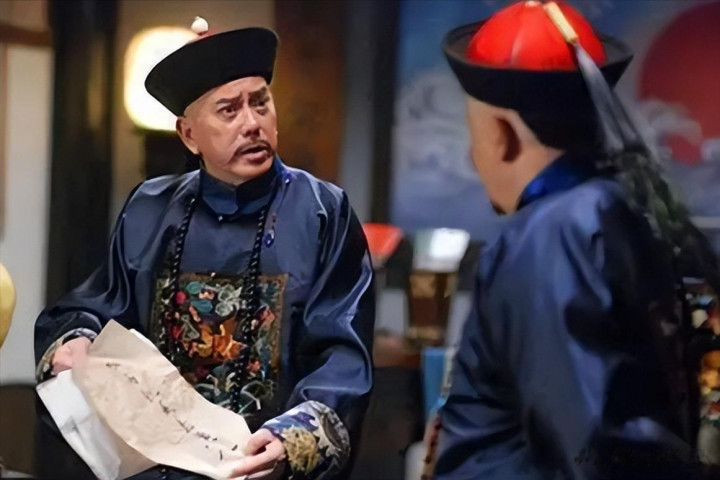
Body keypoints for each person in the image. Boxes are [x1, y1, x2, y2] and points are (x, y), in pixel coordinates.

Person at [34, 21, 374, 480]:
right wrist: (76, 341)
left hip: (262, 463)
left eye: (260, 103)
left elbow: (342, 351)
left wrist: (289, 438)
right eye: (229, 110)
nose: (252, 123)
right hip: (155, 467)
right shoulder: (150, 209)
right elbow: (98, 306)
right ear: (189, 134)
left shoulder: (322, 212)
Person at [433, 1, 720, 479]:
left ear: (501, 134)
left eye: (474, 134)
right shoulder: (616, 210)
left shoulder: (551, 236)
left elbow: (594, 448)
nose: (472, 154)